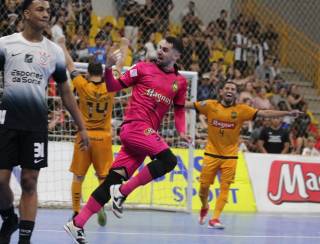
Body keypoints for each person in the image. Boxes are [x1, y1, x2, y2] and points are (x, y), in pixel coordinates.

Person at [64, 36, 191, 244]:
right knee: (169, 161)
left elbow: (178, 111)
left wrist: (182, 131)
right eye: (159, 48)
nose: (160, 52)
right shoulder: (142, 68)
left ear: (177, 55)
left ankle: (77, 223)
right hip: (134, 128)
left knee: (110, 182)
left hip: (145, 137)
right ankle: (123, 192)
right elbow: (113, 86)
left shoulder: (180, 83)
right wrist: (109, 67)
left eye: (165, 50)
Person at [0, 1, 89, 243]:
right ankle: (9, 217)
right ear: (26, 14)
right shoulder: (5, 44)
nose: (46, 13)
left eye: (48, 10)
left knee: (30, 181)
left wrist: (81, 125)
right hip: (6, 122)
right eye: (40, 9)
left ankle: (25, 239)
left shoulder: (54, 51)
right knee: (0, 181)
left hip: (35, 125)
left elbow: (66, 92)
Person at [185, 81, 302, 229]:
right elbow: (188, 105)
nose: (229, 90)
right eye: (227, 88)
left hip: (230, 156)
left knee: (225, 187)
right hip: (211, 154)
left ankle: (215, 218)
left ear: (236, 94)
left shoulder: (242, 110)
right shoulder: (209, 105)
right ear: (221, 91)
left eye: (233, 89)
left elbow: (265, 113)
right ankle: (204, 206)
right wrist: (163, 99)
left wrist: (288, 113)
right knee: (203, 188)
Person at [58, 37, 129, 226]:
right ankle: (100, 206)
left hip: (84, 136)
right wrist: (123, 46)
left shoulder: (82, 85)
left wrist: (63, 45)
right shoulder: (110, 86)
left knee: (78, 177)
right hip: (103, 138)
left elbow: (70, 64)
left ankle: (75, 212)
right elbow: (120, 65)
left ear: (88, 73)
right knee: (103, 177)